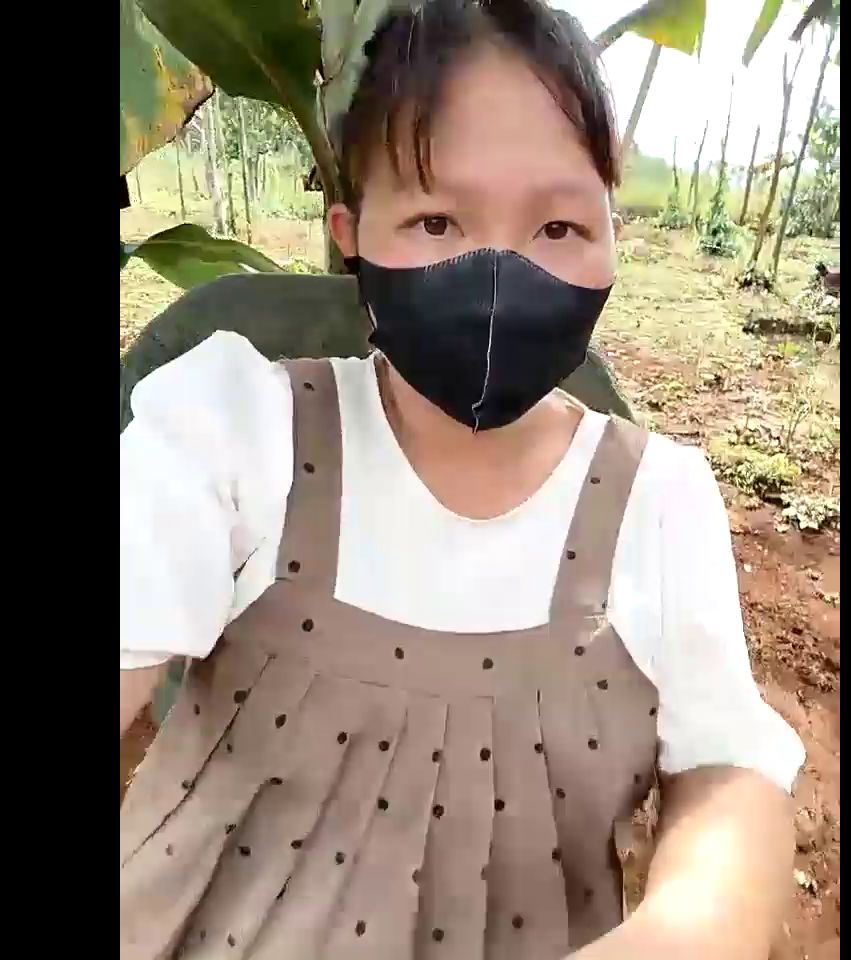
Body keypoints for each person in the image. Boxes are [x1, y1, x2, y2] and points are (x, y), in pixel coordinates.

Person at [119, 2, 805, 958]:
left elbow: (727, 775)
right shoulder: (235, 431)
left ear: (615, 239)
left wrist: (686, 931)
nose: (498, 276)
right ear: (352, 235)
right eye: (437, 220)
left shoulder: (660, 502)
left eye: (558, 225)